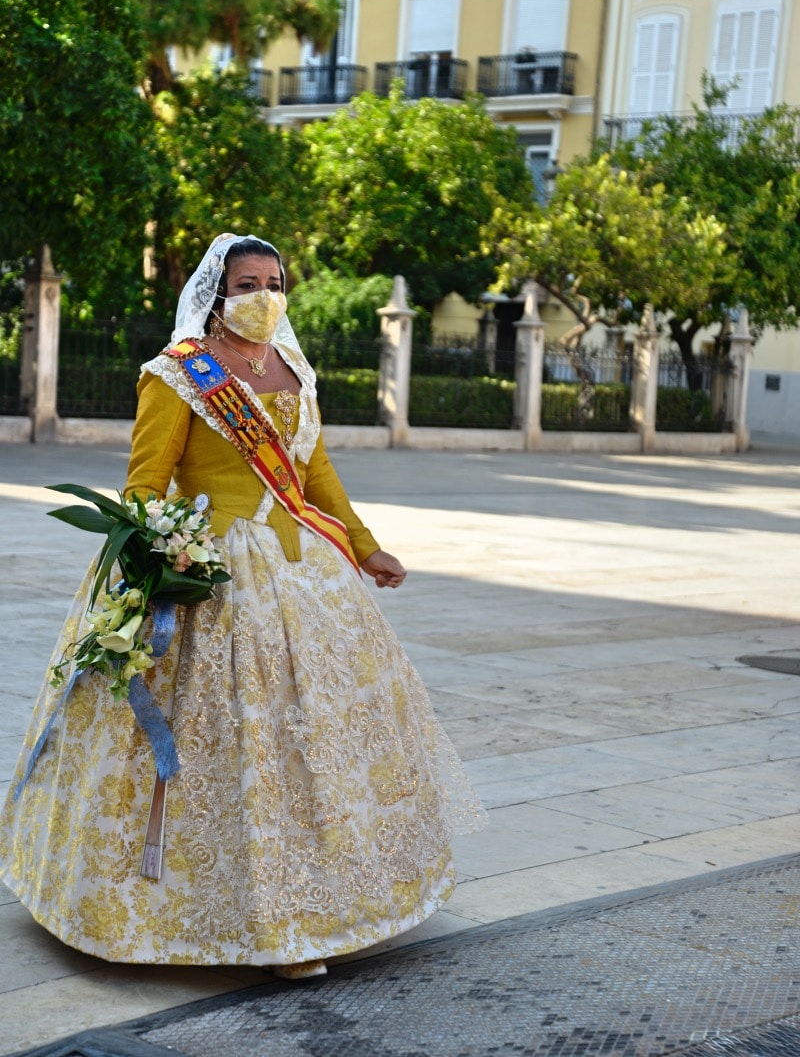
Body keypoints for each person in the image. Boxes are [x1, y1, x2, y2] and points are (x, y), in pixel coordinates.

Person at [0, 232, 486, 978]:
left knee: (312, 743)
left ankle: (321, 907)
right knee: (237, 745)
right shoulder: (180, 373)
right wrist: (161, 557)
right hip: (213, 572)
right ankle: (248, 924)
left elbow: (314, 472)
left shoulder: (293, 366)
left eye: (273, 282)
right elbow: (144, 484)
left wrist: (364, 547)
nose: (264, 296)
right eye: (247, 284)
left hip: (303, 574)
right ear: (216, 295)